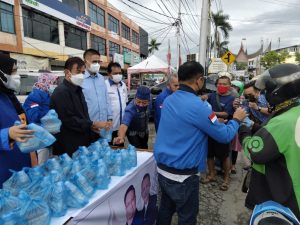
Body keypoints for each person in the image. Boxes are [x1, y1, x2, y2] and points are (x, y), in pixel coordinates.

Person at [154, 61, 247, 225]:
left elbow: (186, 122)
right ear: (199, 80)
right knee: (187, 217)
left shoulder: (169, 100)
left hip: (162, 169)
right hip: (183, 176)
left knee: (165, 210)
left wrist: (212, 121)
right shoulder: (200, 106)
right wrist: (236, 120)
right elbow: (225, 136)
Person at [239, 63, 300, 220]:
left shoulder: (283, 122)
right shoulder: (294, 111)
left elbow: (255, 152)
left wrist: (243, 129)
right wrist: (255, 126)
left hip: (283, 199)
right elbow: (276, 139)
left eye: (266, 89)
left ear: (278, 89)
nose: (264, 93)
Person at [50, 57, 105, 156]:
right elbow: (68, 120)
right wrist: (91, 124)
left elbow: (83, 115)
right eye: (78, 71)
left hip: (82, 141)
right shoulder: (61, 92)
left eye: (83, 72)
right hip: (69, 145)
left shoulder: (78, 90)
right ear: (67, 72)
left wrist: (90, 127)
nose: (81, 75)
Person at [0, 54, 35, 187]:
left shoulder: (9, 96)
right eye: (13, 71)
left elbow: (22, 123)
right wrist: (7, 134)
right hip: (4, 172)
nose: (17, 75)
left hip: (21, 166)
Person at [204, 76, 235, 191]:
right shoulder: (211, 95)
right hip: (210, 130)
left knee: (225, 156)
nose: (221, 86)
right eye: (220, 84)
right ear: (216, 85)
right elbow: (203, 100)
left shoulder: (232, 99)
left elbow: (226, 114)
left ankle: (226, 179)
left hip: (223, 131)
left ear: (229, 86)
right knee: (209, 154)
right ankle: (212, 174)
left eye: (224, 84)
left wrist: (211, 113)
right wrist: (201, 98)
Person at [23, 73, 59, 163]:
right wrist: (52, 114)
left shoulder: (49, 95)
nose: (55, 85)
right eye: (53, 82)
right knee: (41, 168)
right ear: (46, 82)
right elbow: (33, 115)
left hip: (49, 138)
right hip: (39, 139)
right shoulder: (35, 96)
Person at [82, 49, 112, 135]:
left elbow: (107, 98)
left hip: (104, 126)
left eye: (99, 62)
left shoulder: (102, 78)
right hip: (89, 127)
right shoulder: (80, 79)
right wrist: (88, 123)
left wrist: (110, 118)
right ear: (85, 62)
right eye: (94, 61)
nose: (97, 64)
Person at [105, 62, 127, 146]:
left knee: (120, 150)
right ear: (109, 74)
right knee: (109, 151)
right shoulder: (104, 85)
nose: (118, 75)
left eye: (120, 73)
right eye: (115, 73)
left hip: (121, 128)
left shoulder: (123, 85)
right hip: (109, 128)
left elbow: (125, 101)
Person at [230, 80, 245, 174]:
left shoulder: (240, 99)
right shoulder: (225, 97)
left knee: (235, 147)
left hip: (236, 123)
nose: (234, 89)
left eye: (236, 88)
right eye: (233, 86)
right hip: (227, 123)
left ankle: (233, 165)